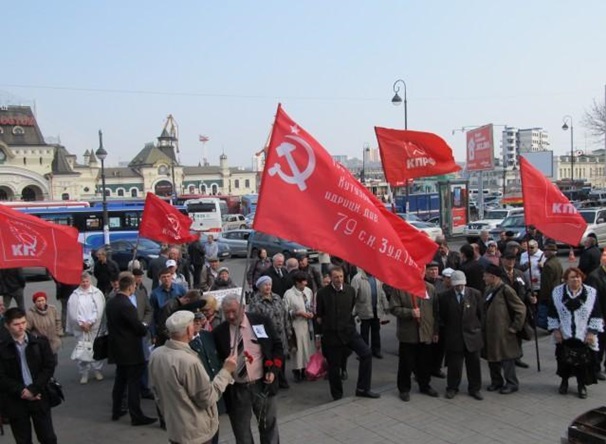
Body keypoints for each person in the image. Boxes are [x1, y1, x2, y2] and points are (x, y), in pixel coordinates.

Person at [150, 311, 236, 444]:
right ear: (189, 330)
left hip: (175, 429)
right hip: (196, 432)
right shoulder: (189, 361)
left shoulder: (156, 354)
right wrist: (226, 371)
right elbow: (207, 398)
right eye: (193, 324)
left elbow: (156, 392)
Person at [213, 294, 284, 444]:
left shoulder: (261, 322)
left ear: (243, 308)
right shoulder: (219, 332)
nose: (231, 316)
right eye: (226, 313)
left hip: (262, 384)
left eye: (234, 311)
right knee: (241, 431)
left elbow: (277, 347)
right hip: (237, 388)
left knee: (268, 426)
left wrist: (273, 370)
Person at [316, 266, 380, 400]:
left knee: (366, 354)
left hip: (349, 331)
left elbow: (350, 308)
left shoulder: (350, 291)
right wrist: (319, 336)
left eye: (341, 277)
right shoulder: (322, 293)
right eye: (335, 277)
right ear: (330, 278)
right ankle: (337, 396)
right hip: (332, 335)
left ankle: (363, 388)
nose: (339, 280)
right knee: (334, 367)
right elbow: (319, 316)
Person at [0, 308, 58, 444]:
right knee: (23, 440)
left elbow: (49, 367)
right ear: (7, 326)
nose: (21, 327)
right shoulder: (3, 348)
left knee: (48, 437)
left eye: (23, 322)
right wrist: (22, 390)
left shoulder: (39, 342)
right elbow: (1, 376)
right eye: (16, 324)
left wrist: (34, 389)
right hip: (16, 400)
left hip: (39, 395)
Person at [106, 272, 156, 426]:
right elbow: (138, 328)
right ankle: (136, 415)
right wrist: (145, 326)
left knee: (120, 381)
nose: (135, 288)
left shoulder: (112, 302)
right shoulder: (127, 305)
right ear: (130, 287)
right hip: (131, 350)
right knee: (133, 384)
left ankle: (116, 410)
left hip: (118, 349)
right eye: (134, 286)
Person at [549, 267, 604, 399]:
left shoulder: (590, 292)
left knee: (583, 363)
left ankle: (581, 385)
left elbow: (596, 313)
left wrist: (591, 332)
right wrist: (555, 330)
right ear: (566, 279)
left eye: (578, 276)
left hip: (583, 335)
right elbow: (552, 313)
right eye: (572, 277)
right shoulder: (557, 292)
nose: (576, 279)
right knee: (563, 361)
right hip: (564, 333)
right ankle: (564, 382)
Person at [390, 273, 440, 402]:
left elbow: (435, 311)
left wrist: (435, 331)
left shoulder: (430, 288)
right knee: (406, 363)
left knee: (425, 362)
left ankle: (425, 385)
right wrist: (409, 312)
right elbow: (394, 308)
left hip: (426, 332)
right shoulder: (400, 288)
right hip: (408, 334)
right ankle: (404, 389)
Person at [482, 264, 526, 395]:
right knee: (492, 357)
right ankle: (496, 382)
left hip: (504, 332)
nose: (483, 278)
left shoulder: (506, 290)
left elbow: (521, 309)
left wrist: (515, 327)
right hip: (490, 331)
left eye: (485, 275)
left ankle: (512, 383)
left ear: (493, 276)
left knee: (507, 358)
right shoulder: (488, 288)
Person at [440, 271, 484, 400]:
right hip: (454, 337)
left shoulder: (475, 294)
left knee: (474, 365)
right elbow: (442, 316)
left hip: (472, 336)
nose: (459, 287)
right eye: (456, 285)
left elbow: (481, 314)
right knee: (454, 366)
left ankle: (475, 388)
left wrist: (477, 329)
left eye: (461, 285)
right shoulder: (444, 297)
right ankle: (452, 388)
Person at [248, 276, 292, 389]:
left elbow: (285, 315)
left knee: (281, 355)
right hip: (268, 335)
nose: (268, 287)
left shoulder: (277, 298)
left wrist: (288, 330)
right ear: (260, 287)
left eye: (269, 284)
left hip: (280, 333)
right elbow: (255, 321)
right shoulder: (255, 302)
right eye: (265, 285)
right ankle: (274, 379)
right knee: (270, 357)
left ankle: (281, 378)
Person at [66, 272, 106, 384]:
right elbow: (73, 311)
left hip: (94, 327)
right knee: (82, 349)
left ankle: (97, 370)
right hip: (81, 328)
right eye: (82, 281)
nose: (84, 283)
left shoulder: (97, 293)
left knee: (96, 349)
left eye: (86, 281)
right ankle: (84, 373)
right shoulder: (75, 295)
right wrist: (81, 323)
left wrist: (91, 322)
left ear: (90, 281)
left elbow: (99, 309)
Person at [351, 268, 389, 359]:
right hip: (364, 310)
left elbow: (381, 293)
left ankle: (376, 350)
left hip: (376, 309)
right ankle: (363, 352)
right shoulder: (357, 278)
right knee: (364, 333)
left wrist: (386, 305)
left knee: (376, 331)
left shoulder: (377, 277)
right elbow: (353, 296)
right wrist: (352, 311)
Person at [283, 272, 314, 382]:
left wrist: (310, 312)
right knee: (297, 349)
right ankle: (296, 370)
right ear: (297, 282)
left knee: (306, 348)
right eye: (302, 282)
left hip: (306, 324)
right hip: (295, 325)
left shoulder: (308, 291)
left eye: (305, 282)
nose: (304, 284)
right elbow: (285, 310)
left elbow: (310, 305)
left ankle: (305, 369)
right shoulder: (289, 294)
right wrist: (296, 313)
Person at [586, 249, 606, 381]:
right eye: (604, 255)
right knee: (600, 344)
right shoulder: (594, 276)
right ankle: (596, 368)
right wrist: (600, 318)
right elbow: (593, 299)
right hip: (602, 316)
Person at [26, 292, 62, 364]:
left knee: (54, 361)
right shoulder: (30, 314)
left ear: (45, 300)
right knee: (43, 362)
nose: (41, 303)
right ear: (35, 302)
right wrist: (34, 339)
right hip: (40, 344)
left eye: (42, 300)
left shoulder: (52, 309)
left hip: (53, 341)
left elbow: (58, 321)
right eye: (38, 301)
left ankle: (51, 374)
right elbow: (27, 329)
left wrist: (58, 333)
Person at [537, 243, 563, 330]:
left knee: (544, 314)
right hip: (557, 289)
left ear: (551, 252)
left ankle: (551, 327)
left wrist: (544, 296)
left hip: (549, 293)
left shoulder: (548, 265)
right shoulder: (557, 261)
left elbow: (547, 283)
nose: (544, 252)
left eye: (546, 250)